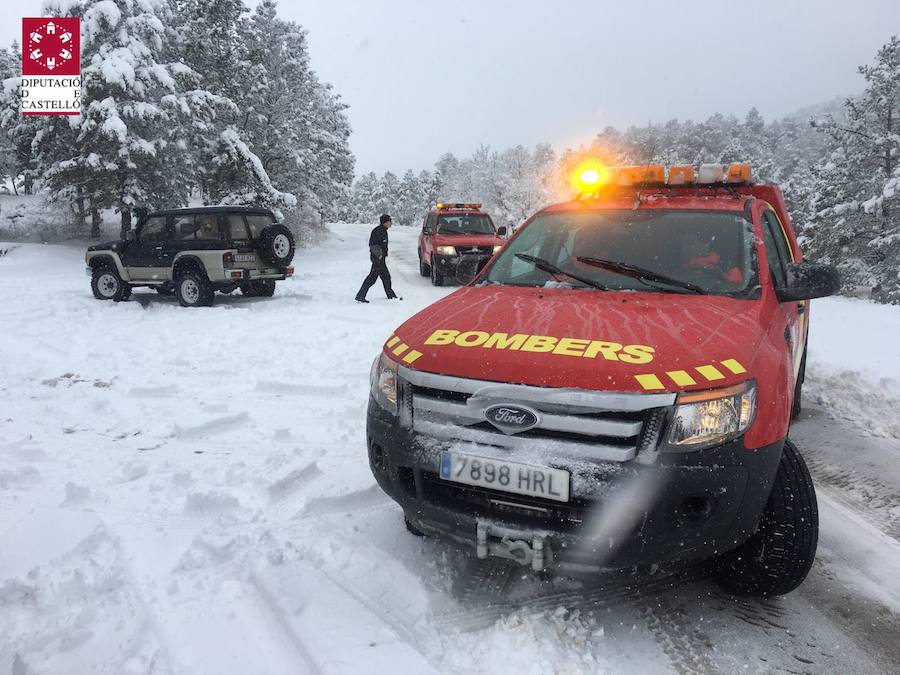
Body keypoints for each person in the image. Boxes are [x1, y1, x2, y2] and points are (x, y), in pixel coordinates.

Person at [355, 214, 400, 303]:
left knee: (383, 277)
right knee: (376, 278)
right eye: (389, 221)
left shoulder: (383, 230)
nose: (391, 223)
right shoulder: (378, 231)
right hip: (377, 259)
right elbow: (372, 245)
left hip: (380, 259)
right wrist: (379, 256)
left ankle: (390, 295)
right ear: (385, 222)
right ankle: (360, 296)